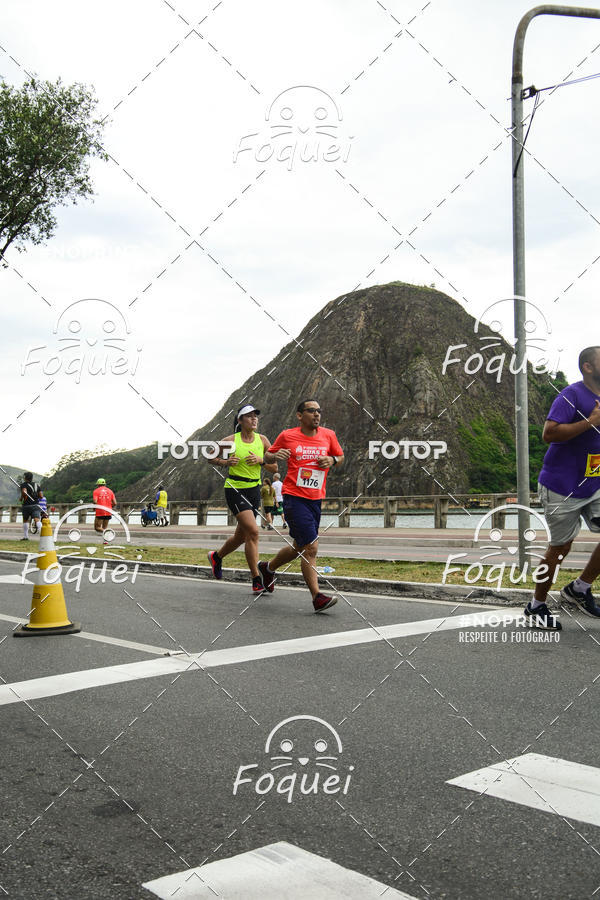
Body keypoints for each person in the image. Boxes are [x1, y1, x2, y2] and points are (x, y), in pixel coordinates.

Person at [525, 346, 600, 628]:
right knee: (560, 549)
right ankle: (536, 605)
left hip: (593, 483)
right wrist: (590, 422)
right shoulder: (571, 395)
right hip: (561, 485)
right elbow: (549, 433)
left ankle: (579, 589)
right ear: (588, 367)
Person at [258, 399, 344, 612]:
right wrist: (275, 455)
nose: (317, 414)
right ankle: (317, 597)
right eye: (312, 411)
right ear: (300, 415)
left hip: (316, 498)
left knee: (299, 546)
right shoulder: (288, 435)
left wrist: (332, 461)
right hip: (294, 497)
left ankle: (267, 568)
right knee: (311, 547)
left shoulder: (329, 435)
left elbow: (340, 456)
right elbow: (268, 455)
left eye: (319, 411)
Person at [208, 406, 277, 592]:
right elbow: (209, 456)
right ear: (240, 420)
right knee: (253, 532)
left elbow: (274, 467)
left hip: (254, 490)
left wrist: (261, 461)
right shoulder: (230, 441)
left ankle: (217, 557)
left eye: (256, 416)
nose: (254, 419)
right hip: (235, 488)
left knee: (241, 536)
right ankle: (256, 578)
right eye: (249, 416)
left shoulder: (262, 440)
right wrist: (225, 462)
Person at [92, 477, 117, 544]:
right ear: (105, 484)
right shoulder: (110, 491)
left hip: (100, 511)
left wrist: (94, 508)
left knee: (97, 527)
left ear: (98, 484)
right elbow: (115, 503)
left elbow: (95, 501)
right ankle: (105, 541)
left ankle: (108, 533)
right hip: (108, 511)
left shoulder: (96, 491)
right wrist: (110, 507)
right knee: (104, 527)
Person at [19, 472, 42, 540]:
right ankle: (43, 536)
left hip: (27, 505)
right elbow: (41, 496)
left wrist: (22, 498)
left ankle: (26, 537)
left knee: (25, 520)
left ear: (25, 477)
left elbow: (24, 492)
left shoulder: (24, 485)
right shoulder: (36, 485)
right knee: (37, 520)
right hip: (36, 505)